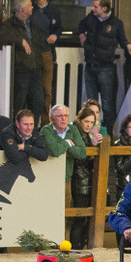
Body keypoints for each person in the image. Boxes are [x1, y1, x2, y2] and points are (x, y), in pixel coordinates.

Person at [78, 0, 131, 131]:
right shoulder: (90, 18)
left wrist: (128, 46)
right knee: (90, 105)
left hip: (106, 68)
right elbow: (81, 25)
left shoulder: (116, 23)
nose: (92, 9)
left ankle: (107, 136)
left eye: (96, 6)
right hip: (90, 66)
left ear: (104, 8)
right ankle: (90, 134)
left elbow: (122, 40)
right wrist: (82, 36)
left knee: (107, 104)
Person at [42, 104, 87, 242]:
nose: (64, 119)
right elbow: (54, 151)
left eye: (66, 116)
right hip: (48, 180)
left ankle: (61, 243)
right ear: (52, 118)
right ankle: (46, 243)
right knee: (48, 213)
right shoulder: (46, 130)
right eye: (60, 116)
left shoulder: (72, 129)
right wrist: (67, 143)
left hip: (66, 179)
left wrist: (64, 147)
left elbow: (82, 152)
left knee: (65, 215)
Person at [0, 0, 43, 125]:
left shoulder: (32, 24)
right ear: (23, 9)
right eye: (30, 5)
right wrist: (20, 41)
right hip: (21, 70)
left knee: (38, 102)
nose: (32, 7)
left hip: (35, 69)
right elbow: (2, 37)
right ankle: (16, 130)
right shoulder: (10, 24)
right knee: (19, 102)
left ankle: (32, 131)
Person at [31, 0, 62, 125]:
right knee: (32, 89)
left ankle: (44, 123)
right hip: (32, 53)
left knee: (47, 90)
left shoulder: (54, 10)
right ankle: (30, 121)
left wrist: (55, 35)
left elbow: (59, 28)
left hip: (47, 52)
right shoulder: (30, 8)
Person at [69, 107, 101, 247]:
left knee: (84, 217)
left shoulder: (85, 134)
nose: (89, 125)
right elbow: (79, 159)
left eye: (92, 122)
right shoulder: (77, 133)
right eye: (86, 121)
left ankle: (80, 245)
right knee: (80, 217)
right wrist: (93, 148)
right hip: (79, 179)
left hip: (85, 179)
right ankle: (76, 246)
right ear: (79, 120)